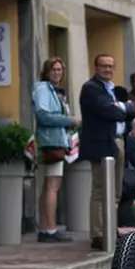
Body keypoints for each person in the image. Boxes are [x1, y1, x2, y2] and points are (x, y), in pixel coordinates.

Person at [78, 54, 135, 250]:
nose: (108, 70)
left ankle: (110, 229)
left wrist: (121, 107)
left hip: (118, 142)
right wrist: (122, 108)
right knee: (100, 190)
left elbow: (133, 108)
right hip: (101, 144)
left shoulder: (113, 89)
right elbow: (111, 112)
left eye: (111, 66)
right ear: (96, 67)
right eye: (104, 66)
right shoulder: (91, 88)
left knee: (115, 192)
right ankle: (98, 234)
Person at [33, 57, 80, 243]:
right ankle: (50, 229)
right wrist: (70, 120)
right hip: (50, 141)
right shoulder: (43, 89)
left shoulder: (54, 91)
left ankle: (45, 227)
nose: (57, 73)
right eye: (54, 70)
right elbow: (43, 116)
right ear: (46, 71)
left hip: (55, 139)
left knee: (48, 186)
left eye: (60, 70)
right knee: (53, 186)